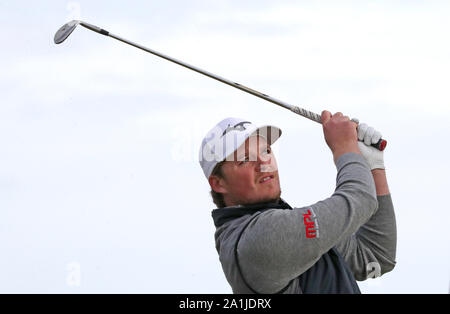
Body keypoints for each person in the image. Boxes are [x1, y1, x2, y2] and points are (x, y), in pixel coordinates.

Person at [198, 111, 397, 294]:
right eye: (244, 159)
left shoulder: (292, 229)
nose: (263, 163)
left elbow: (376, 258)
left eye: (266, 151)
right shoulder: (259, 238)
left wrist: (373, 166)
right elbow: (360, 199)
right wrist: (345, 148)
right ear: (218, 183)